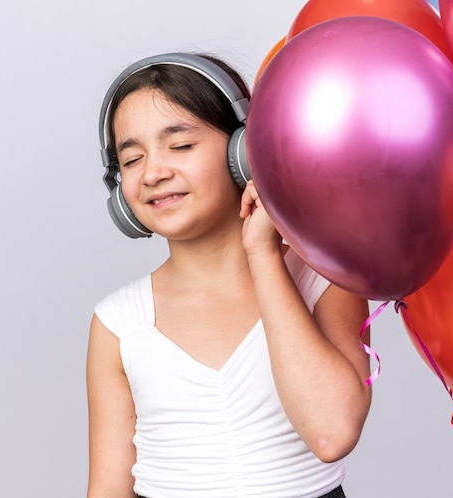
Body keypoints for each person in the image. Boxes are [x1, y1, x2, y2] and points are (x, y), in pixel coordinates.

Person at [86, 52, 372, 498]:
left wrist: (262, 251)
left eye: (180, 145)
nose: (155, 173)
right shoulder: (118, 324)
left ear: (244, 151)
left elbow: (332, 433)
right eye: (132, 159)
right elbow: (107, 488)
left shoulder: (323, 280)